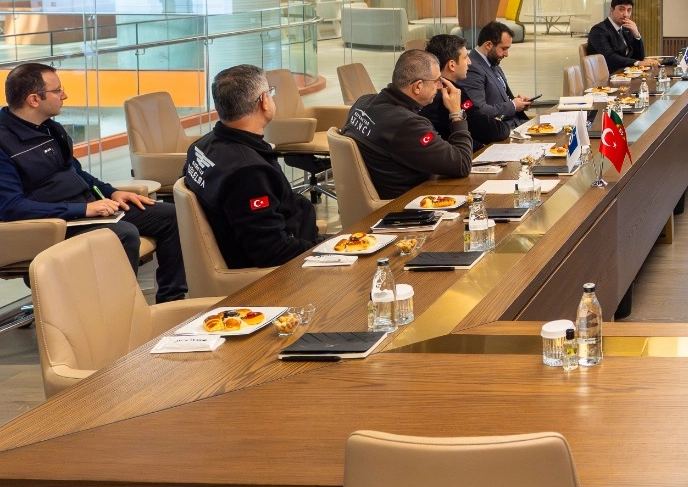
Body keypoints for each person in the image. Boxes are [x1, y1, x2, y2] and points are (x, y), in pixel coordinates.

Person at [0, 62, 186, 301]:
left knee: (169, 215)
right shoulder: (4, 144)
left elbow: (76, 173)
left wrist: (111, 192)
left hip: (84, 211)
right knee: (122, 234)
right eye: (57, 91)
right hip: (50, 224)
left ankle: (171, 301)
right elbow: (11, 207)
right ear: (34, 100)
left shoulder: (50, 129)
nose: (64, 96)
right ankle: (117, 313)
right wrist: (83, 210)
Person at [184, 65, 320, 269]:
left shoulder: (201, 147)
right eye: (270, 92)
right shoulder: (249, 172)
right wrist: (322, 248)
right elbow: (272, 252)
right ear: (264, 101)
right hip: (273, 274)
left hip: (234, 252)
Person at [343, 50, 474, 200]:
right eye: (437, 81)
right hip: (406, 203)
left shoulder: (362, 103)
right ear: (417, 86)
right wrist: (456, 114)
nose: (440, 87)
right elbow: (462, 164)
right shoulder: (408, 125)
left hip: (374, 198)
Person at [461, 22, 533, 146]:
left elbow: (501, 97)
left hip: (516, 127)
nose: (506, 54)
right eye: (504, 48)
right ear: (488, 45)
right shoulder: (472, 68)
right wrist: (513, 106)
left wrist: (517, 102)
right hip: (501, 133)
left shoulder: (493, 63)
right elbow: (479, 110)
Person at [587, 0, 660, 73]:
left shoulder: (626, 29)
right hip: (608, 76)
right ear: (611, 10)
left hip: (626, 74)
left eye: (629, 10)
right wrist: (637, 63)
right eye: (621, 9)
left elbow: (639, 57)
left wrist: (636, 35)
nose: (625, 14)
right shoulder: (598, 30)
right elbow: (609, 57)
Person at [423, 33, 474, 137]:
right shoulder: (454, 93)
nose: (469, 62)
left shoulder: (427, 92)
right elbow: (483, 126)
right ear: (451, 65)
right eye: (465, 57)